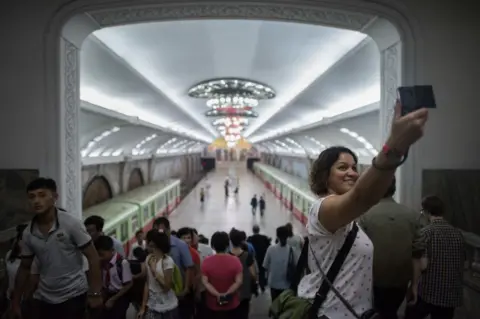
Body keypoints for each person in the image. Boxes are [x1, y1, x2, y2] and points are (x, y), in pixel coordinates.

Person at [296, 101, 429, 319]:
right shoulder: (323, 209)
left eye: (354, 167)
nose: (352, 173)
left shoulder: (349, 219)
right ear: (324, 176)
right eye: (342, 168)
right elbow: (361, 196)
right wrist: (394, 146)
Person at [11, 178, 103, 319]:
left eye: (42, 195)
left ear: (55, 197)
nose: (36, 200)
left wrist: (95, 293)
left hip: (74, 295)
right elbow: (24, 267)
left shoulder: (71, 224)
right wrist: (16, 302)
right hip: (45, 298)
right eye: (32, 197)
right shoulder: (28, 233)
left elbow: (93, 257)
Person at [358, 177, 423, 319]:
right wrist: (414, 285)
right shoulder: (413, 216)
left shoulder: (364, 216)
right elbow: (417, 256)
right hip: (400, 281)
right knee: (390, 312)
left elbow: (358, 253)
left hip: (372, 279)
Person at [405, 196, 464, 319]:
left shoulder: (426, 233)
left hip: (430, 292)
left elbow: (423, 265)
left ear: (426, 212)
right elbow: (464, 262)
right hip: (451, 294)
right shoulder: (457, 233)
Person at [153, 217, 194, 319]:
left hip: (178, 291)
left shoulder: (180, 245)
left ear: (168, 230)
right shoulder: (153, 246)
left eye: (161, 231)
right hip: (160, 291)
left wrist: (185, 289)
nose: (159, 234)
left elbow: (189, 267)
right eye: (156, 231)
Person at [138, 230, 179, 319]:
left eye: (149, 242)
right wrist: (143, 307)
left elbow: (167, 287)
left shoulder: (167, 261)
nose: (148, 244)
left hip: (168, 307)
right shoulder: (149, 258)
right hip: (152, 305)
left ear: (155, 244)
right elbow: (147, 284)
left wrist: (154, 271)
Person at [201, 232, 243, 319]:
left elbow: (205, 282)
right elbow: (239, 281)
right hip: (232, 302)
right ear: (227, 245)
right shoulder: (235, 260)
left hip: (212, 303)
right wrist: (226, 294)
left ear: (213, 245)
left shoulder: (206, 261)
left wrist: (218, 295)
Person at [95, 235, 133, 319]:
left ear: (112, 250)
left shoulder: (122, 263)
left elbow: (128, 284)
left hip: (120, 296)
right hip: (107, 295)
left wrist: (113, 299)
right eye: (98, 254)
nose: (100, 258)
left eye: (102, 254)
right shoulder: (102, 263)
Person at [263, 226, 299, 301]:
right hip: (287, 285)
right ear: (288, 236)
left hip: (273, 283)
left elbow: (265, 265)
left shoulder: (271, 249)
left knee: (275, 306)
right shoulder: (292, 250)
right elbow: (296, 265)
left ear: (277, 236)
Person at [229, 229, 256, 319]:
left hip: (230, 290)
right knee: (244, 313)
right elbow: (253, 274)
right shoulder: (247, 255)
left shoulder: (227, 256)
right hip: (245, 291)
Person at [247, 225, 270, 293]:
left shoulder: (250, 239)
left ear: (253, 230)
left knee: (254, 272)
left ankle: (255, 286)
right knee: (262, 272)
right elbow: (268, 246)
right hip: (263, 257)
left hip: (254, 258)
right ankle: (262, 285)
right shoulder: (264, 238)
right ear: (259, 230)